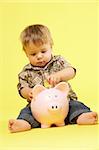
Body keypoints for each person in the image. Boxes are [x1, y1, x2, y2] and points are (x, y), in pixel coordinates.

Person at [8, 24, 98, 133]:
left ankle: (83, 116)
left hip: (65, 103)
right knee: (27, 112)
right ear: (26, 54)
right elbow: (22, 88)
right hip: (39, 110)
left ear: (51, 46)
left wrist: (59, 75)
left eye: (43, 51)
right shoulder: (26, 72)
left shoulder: (58, 61)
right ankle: (23, 123)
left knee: (76, 106)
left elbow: (71, 71)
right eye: (33, 54)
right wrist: (29, 93)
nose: (39, 56)